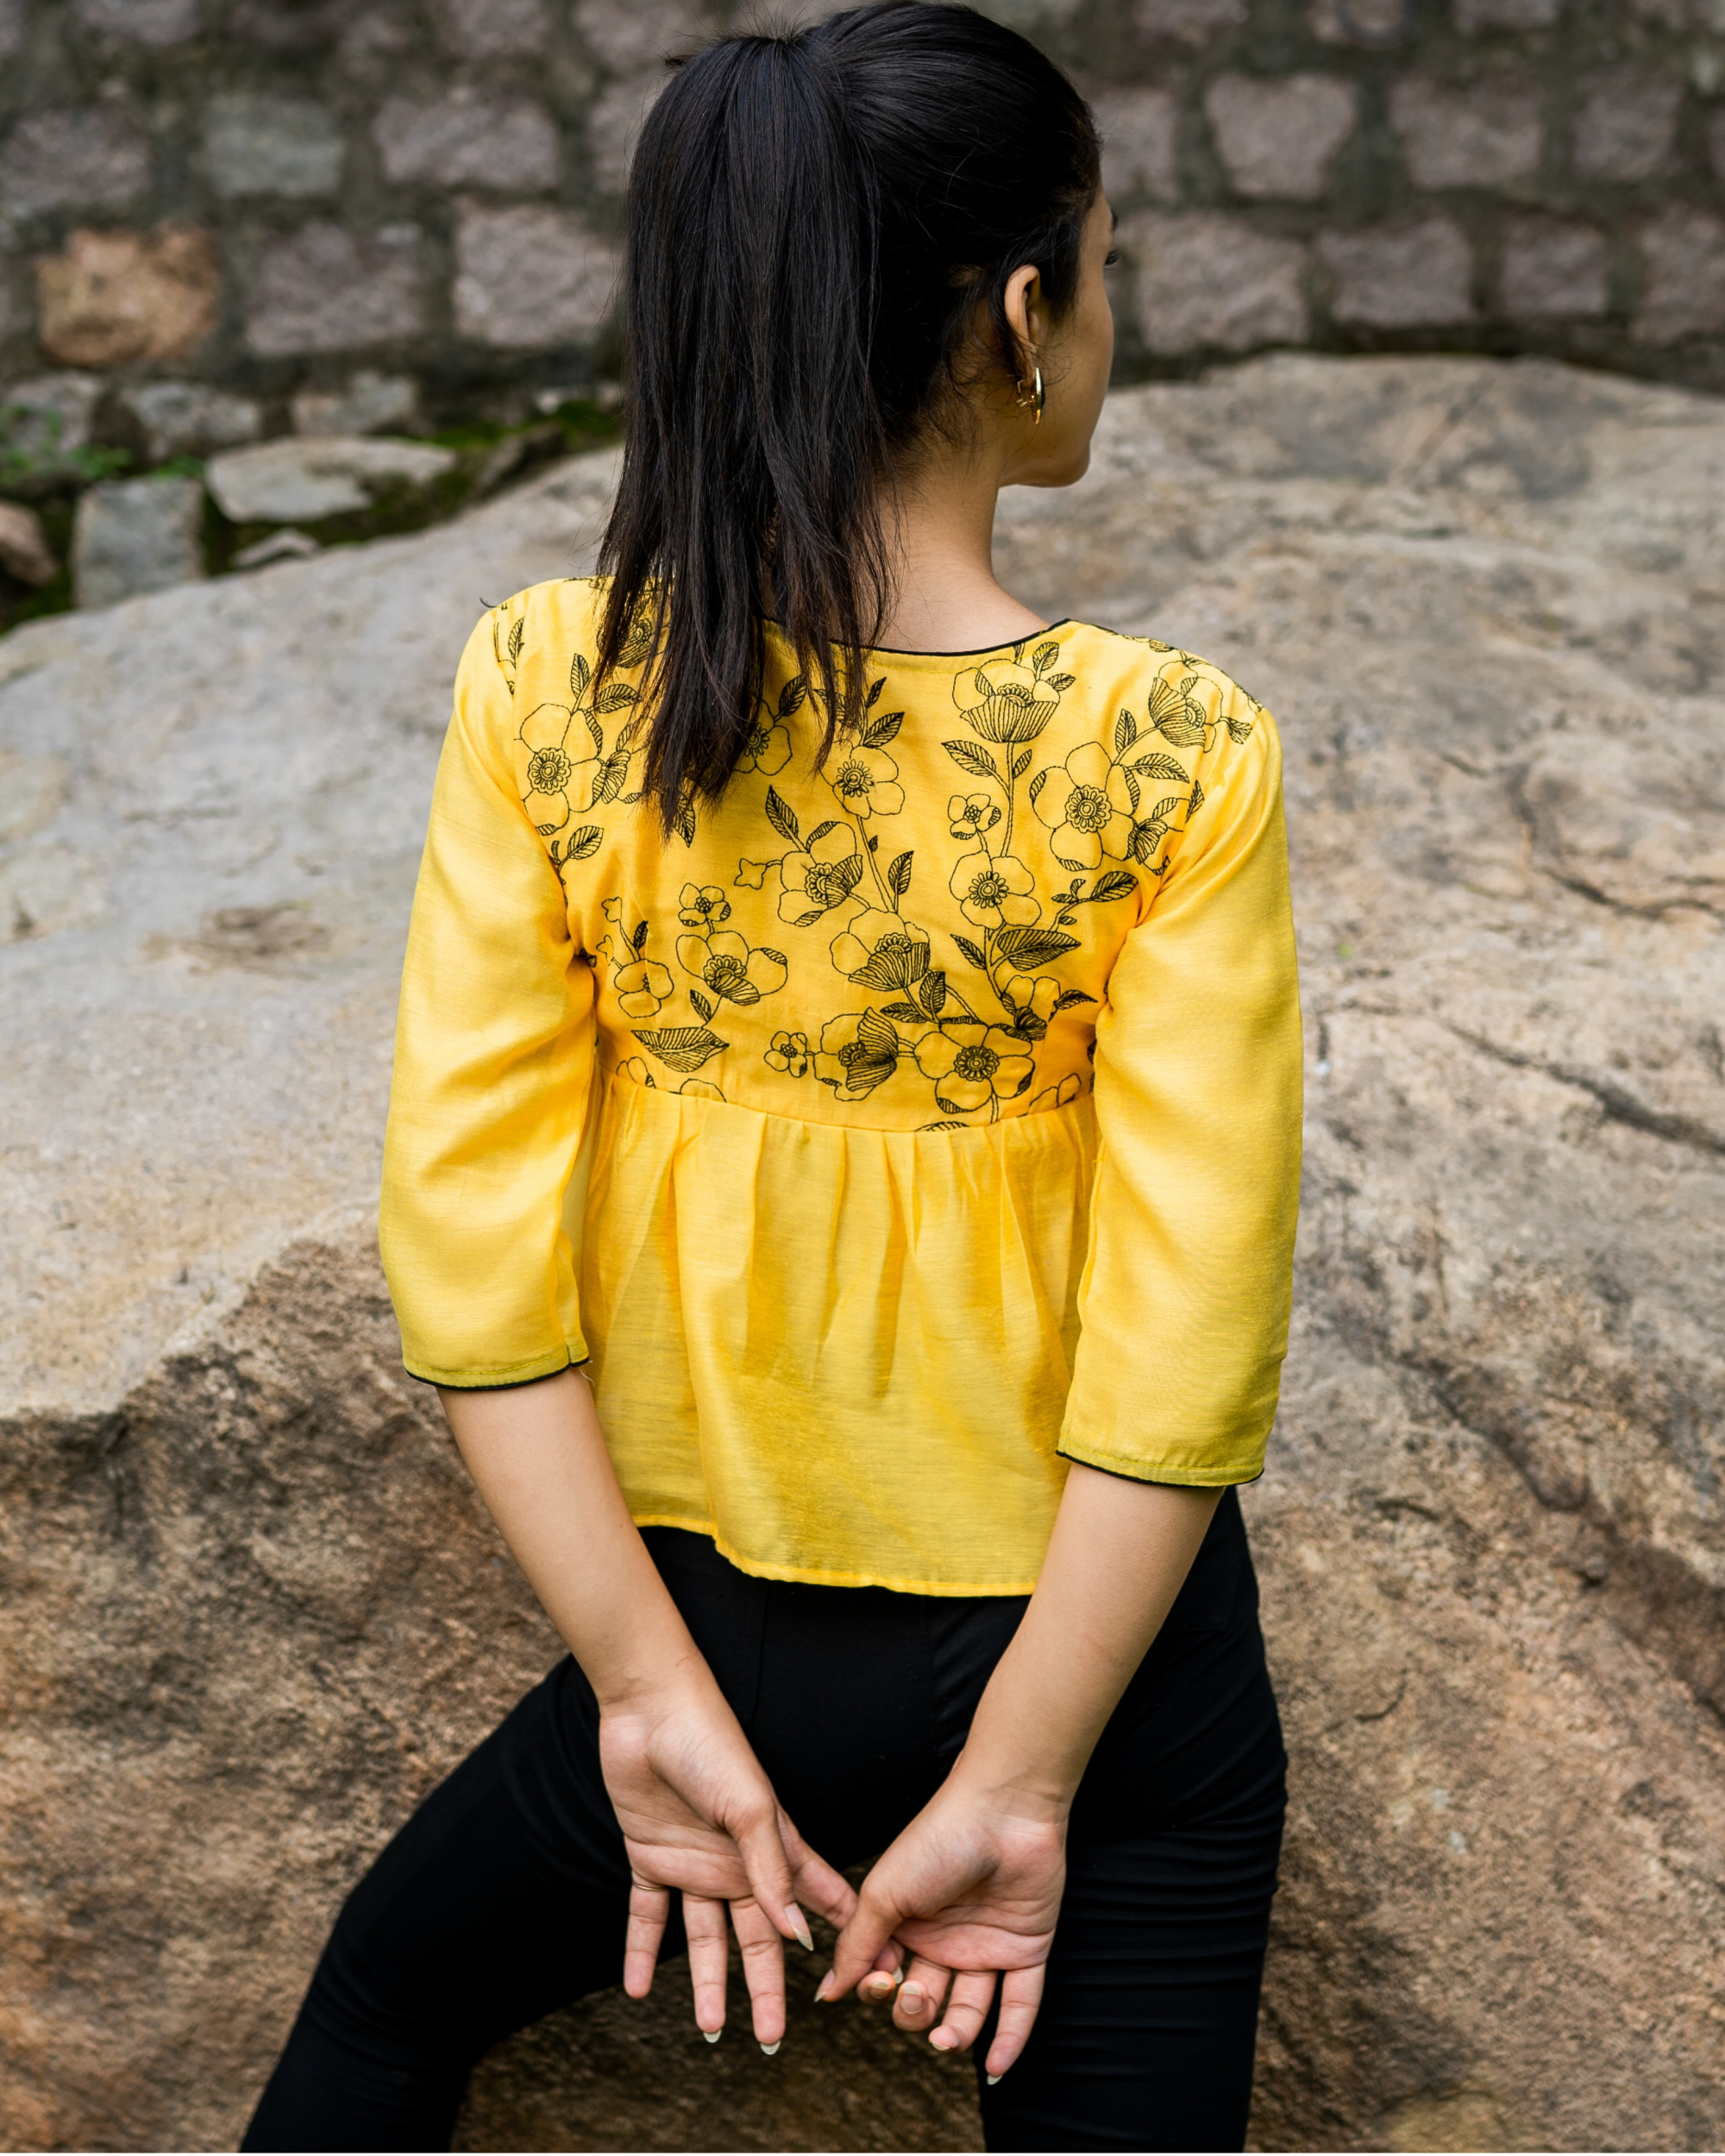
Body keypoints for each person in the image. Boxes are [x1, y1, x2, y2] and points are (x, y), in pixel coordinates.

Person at [242, 4, 1302, 2149]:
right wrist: (1019, 1773)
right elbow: (1188, 1326)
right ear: (1024, 312)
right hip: (1098, 1667)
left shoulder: (551, 686)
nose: (1107, 316)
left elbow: (469, 1256)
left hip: (705, 1626)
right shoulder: (1169, 746)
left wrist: (644, 1696)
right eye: (1104, 267)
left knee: (380, 2006)